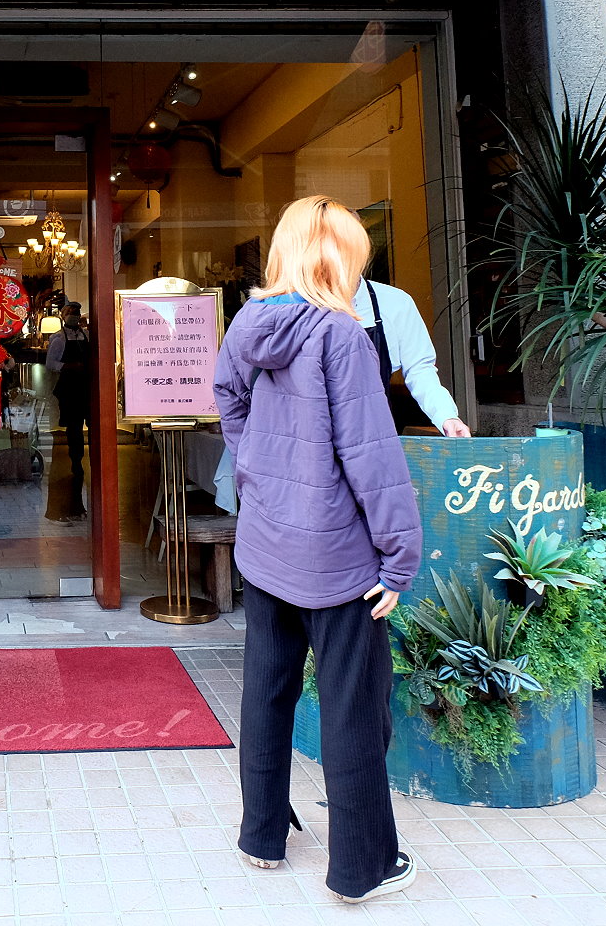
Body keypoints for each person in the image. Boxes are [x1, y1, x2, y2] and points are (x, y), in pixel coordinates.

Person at [214, 195, 423, 904]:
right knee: (354, 710)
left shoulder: (249, 320)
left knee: (266, 695)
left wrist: (258, 470)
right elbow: (373, 457)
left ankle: (262, 837)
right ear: (341, 256)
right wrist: (400, 558)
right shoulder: (342, 335)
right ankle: (361, 868)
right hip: (338, 562)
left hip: (267, 545)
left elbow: (227, 399)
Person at [352, 278, 470, 437]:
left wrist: (446, 415)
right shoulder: (307, 302)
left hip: (375, 436)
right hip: (315, 438)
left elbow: (419, 368)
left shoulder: (394, 302)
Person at [44, 301, 91, 522]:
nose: (74, 315)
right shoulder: (59, 338)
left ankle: (82, 459)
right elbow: (51, 363)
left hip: (87, 388)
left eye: (76, 312)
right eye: (70, 312)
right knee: (73, 429)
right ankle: (75, 457)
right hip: (70, 389)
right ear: (64, 316)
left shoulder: (86, 335)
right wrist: (70, 367)